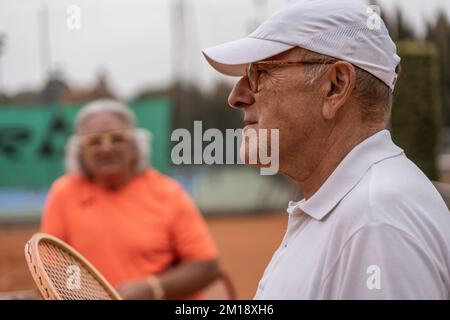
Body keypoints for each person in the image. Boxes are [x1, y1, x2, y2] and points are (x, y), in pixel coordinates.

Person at [202, 0, 450, 299]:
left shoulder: (375, 222)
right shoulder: (357, 209)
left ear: (335, 86)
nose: (236, 96)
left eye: (259, 72)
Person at [41, 99, 219, 299]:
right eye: (94, 141)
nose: (106, 148)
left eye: (117, 138)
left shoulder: (168, 193)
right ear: (79, 151)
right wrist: (83, 292)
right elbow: (54, 267)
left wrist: (152, 287)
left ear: (135, 145)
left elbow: (207, 266)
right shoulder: (63, 193)